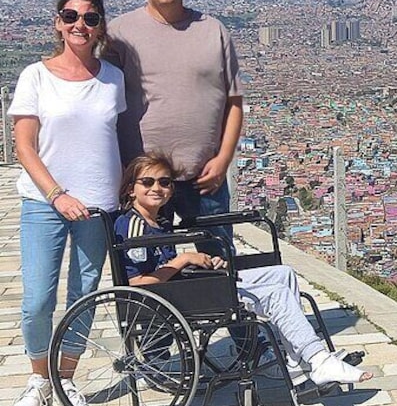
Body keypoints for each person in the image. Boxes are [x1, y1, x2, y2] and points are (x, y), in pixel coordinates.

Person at [113, 152, 372, 387]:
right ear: (130, 190)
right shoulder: (133, 227)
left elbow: (164, 267)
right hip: (172, 299)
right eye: (147, 182)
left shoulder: (157, 220)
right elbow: (139, 284)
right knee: (275, 295)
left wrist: (200, 261)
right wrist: (184, 260)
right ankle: (318, 359)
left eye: (165, 182)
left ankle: (296, 358)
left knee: (283, 274)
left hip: (183, 287)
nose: (157, 188)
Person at [7, 0, 125, 406]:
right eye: (71, 16)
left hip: (99, 204)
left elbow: (118, 138)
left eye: (90, 18)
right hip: (44, 201)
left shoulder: (113, 78)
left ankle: (67, 377)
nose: (80, 24)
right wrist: (57, 194)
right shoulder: (35, 76)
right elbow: (24, 146)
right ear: (58, 23)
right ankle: (40, 377)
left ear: (100, 26)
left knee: (83, 295)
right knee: (38, 297)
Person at [102, 0, 242, 254]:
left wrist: (223, 160)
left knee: (219, 261)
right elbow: (100, 98)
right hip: (145, 179)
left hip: (205, 175)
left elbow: (235, 102)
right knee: (146, 267)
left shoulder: (213, 31)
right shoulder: (120, 34)